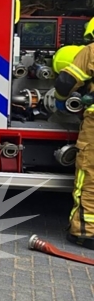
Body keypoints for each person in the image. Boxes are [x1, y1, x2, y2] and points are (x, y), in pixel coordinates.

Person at [52, 18, 94, 248]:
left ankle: (86, 232)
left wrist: (60, 101)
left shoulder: (91, 51)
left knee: (89, 177)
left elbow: (65, 82)